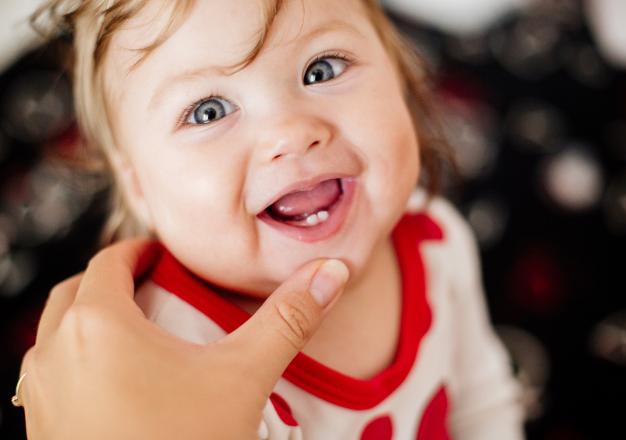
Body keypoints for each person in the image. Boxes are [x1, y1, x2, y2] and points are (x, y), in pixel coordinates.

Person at [17, 0, 525, 438]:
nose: (290, 132)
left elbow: (482, 399)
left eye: (322, 69)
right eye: (208, 111)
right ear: (139, 188)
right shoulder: (175, 356)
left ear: (403, 78)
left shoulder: (436, 237)